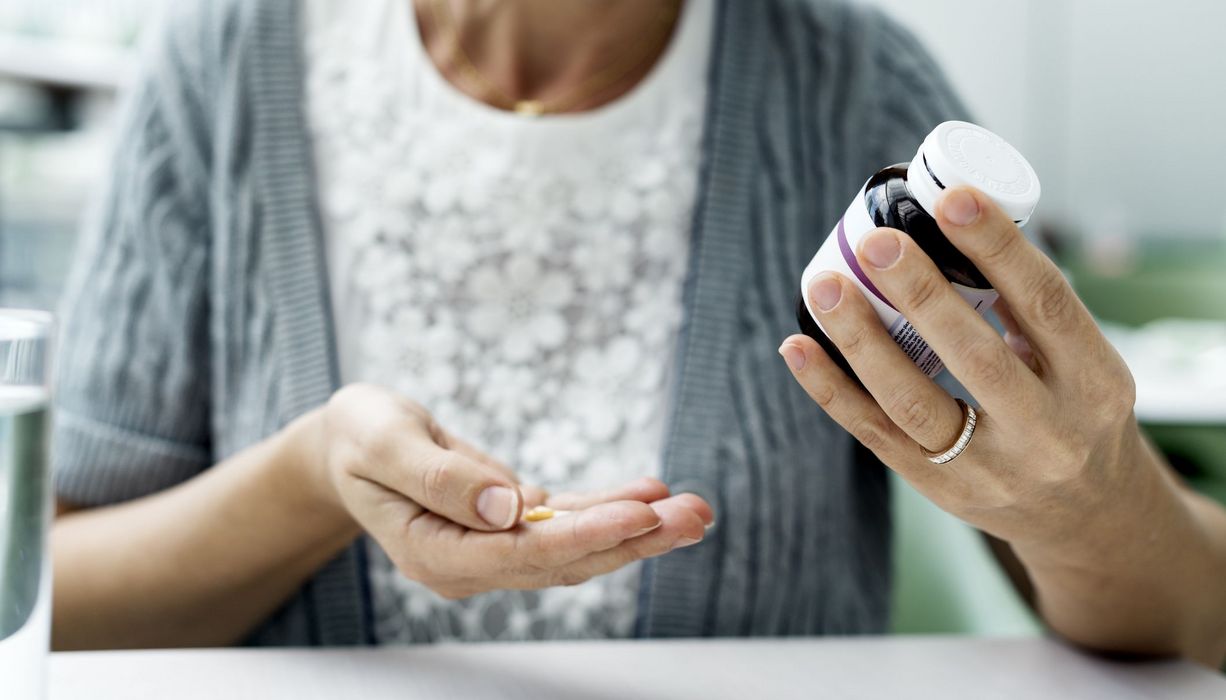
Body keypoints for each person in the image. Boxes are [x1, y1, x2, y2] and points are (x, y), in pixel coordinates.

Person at [49, 0, 1226, 666]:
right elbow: (50, 595)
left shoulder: (851, 86)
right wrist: (313, 482)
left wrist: (1091, 493)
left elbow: (1185, 610)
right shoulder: (221, 61)